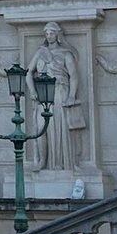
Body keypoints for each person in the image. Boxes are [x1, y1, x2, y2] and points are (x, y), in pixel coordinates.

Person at [29, 22, 84, 172]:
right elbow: (28, 73)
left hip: (60, 92)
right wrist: (32, 91)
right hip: (43, 94)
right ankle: (42, 160)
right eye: (46, 33)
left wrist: (71, 96)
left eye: (52, 33)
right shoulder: (40, 52)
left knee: (60, 128)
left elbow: (73, 76)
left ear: (58, 34)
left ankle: (61, 163)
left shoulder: (66, 53)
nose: (49, 36)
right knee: (41, 126)